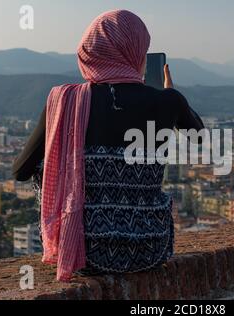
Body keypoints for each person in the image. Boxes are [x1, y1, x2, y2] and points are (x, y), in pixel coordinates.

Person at [12, 9, 204, 281]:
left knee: (49, 165)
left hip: (82, 255)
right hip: (150, 249)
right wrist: (173, 97)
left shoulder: (63, 102)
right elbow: (199, 137)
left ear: (90, 50)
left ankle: (66, 231)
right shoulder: (167, 101)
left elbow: (20, 170)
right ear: (136, 50)